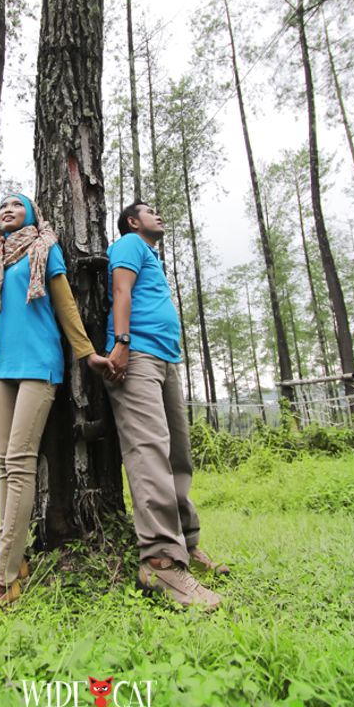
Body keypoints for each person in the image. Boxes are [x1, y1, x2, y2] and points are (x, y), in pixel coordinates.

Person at [0, 192, 114, 624]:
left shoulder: (45, 247)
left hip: (40, 364)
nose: (7, 209)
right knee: (5, 465)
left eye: (16, 205)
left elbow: (65, 305)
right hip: (2, 366)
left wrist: (87, 353)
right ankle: (16, 560)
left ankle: (2, 579)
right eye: (2, 205)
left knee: (21, 463)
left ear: (32, 214)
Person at [104, 200, 229, 612]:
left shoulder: (152, 256)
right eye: (149, 211)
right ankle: (160, 561)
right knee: (149, 452)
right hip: (135, 354)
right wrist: (121, 343)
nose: (158, 215)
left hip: (164, 359)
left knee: (178, 454)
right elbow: (122, 289)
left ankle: (187, 545)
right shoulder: (128, 244)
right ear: (131, 221)